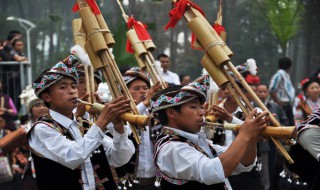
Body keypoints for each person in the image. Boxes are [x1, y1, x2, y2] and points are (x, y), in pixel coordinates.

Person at [28, 49, 135, 190]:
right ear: (47, 97)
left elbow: (119, 159)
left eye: (73, 86)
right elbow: (73, 155)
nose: (72, 91)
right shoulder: (42, 128)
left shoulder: (85, 125)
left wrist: (119, 130)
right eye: (63, 87)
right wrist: (102, 121)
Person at [151, 75, 269, 189]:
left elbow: (244, 162)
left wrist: (252, 137)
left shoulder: (197, 141)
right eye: (193, 107)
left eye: (200, 107)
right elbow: (214, 171)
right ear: (171, 113)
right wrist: (244, 135)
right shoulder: (171, 147)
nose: (201, 112)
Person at [122, 67, 162, 190]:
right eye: (137, 88)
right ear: (124, 93)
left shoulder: (156, 114)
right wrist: (145, 104)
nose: (143, 92)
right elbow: (127, 125)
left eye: (145, 88)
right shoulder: (119, 113)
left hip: (156, 180)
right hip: (129, 181)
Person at [255, 84, 289, 190]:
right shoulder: (251, 106)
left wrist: (278, 128)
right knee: (260, 169)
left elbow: (285, 121)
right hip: (257, 142)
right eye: (260, 92)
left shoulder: (274, 106)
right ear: (256, 93)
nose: (262, 94)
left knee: (272, 167)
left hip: (274, 142)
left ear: (268, 93)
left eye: (265, 91)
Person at [269, 57, 295, 126]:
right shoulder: (278, 75)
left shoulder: (286, 75)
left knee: (291, 125)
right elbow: (272, 89)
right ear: (290, 66)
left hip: (287, 104)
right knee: (284, 125)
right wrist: (278, 103)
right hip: (281, 104)